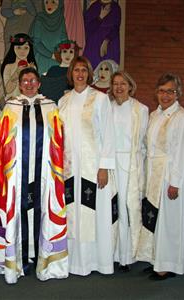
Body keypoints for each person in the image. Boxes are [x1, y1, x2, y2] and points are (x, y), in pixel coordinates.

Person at [0, 67, 68, 284]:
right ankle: (15, 258)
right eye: (25, 80)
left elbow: (58, 140)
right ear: (19, 84)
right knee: (16, 210)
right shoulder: (10, 107)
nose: (29, 84)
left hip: (44, 173)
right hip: (15, 173)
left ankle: (42, 258)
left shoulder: (50, 107)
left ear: (39, 83)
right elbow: (0, 141)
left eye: (33, 80)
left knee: (43, 209)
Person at [58, 56, 117, 276]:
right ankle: (73, 261)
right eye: (76, 70)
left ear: (89, 74)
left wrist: (104, 167)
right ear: (71, 74)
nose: (80, 74)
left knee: (92, 213)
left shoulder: (100, 99)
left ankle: (95, 262)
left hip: (92, 167)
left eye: (84, 70)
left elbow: (109, 135)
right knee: (72, 212)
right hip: (69, 167)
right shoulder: (63, 101)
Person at [136, 73, 184, 280]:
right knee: (155, 217)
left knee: (169, 221)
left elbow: (182, 153)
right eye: (162, 91)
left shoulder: (183, 118)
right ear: (156, 93)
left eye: (170, 91)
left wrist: (175, 183)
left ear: (177, 93)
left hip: (170, 175)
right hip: (154, 173)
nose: (165, 95)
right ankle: (157, 259)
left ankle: (168, 265)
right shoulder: (155, 115)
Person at [108, 71, 148, 271]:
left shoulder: (140, 110)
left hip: (130, 163)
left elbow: (144, 142)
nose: (119, 87)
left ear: (130, 86)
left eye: (123, 83)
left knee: (127, 209)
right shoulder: (108, 108)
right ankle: (112, 254)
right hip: (111, 164)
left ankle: (126, 256)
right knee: (112, 209)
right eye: (115, 84)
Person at [28, 0, 68, 74]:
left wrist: (64, 53)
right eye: (46, 2)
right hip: (42, 58)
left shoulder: (60, 18)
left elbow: (64, 39)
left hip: (57, 59)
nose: (49, 5)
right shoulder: (39, 19)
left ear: (59, 5)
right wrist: (51, 55)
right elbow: (36, 42)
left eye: (53, 2)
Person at [83, 0, 121, 68]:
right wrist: (100, 17)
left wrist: (106, 41)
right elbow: (87, 28)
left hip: (110, 46)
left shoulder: (115, 7)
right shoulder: (94, 6)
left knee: (107, 68)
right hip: (93, 45)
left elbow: (115, 28)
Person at [1, 33, 37, 100]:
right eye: (19, 47)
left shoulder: (32, 67)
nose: (22, 51)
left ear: (30, 49)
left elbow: (34, 90)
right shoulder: (8, 67)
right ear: (13, 48)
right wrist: (16, 74)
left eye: (26, 48)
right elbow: (7, 90)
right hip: (12, 103)